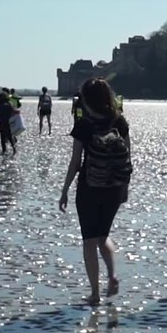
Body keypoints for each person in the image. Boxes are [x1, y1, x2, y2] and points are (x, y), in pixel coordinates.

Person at [59, 78, 130, 306]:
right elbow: (128, 156)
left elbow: (75, 162)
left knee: (89, 241)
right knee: (103, 236)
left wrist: (65, 189)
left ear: (87, 100)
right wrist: (125, 187)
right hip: (115, 188)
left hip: (89, 187)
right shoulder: (120, 121)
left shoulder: (84, 125)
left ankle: (95, 293)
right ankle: (112, 275)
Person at [0, 88, 19, 154]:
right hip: (8, 123)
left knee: (2, 137)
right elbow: (14, 112)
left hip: (1, 123)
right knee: (10, 136)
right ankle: (14, 149)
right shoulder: (9, 104)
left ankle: (4, 150)